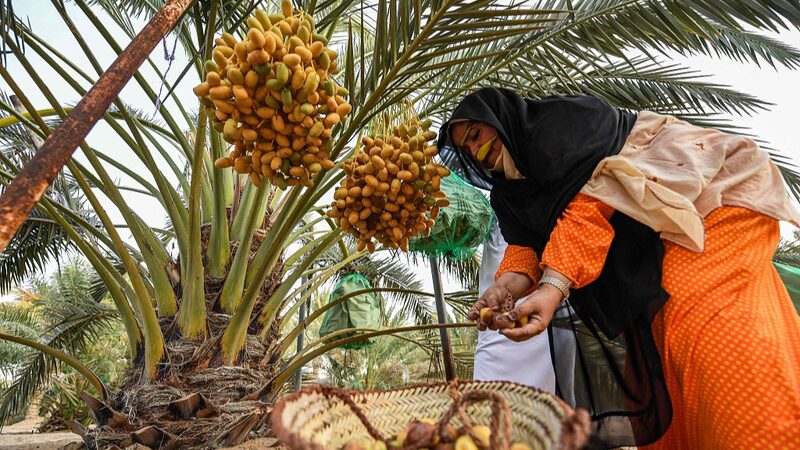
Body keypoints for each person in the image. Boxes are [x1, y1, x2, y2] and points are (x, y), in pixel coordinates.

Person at [437, 87, 800, 450]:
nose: (475, 150)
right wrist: (503, 288)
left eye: (475, 134)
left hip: (705, 206)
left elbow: (591, 203)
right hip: (660, 243)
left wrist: (552, 289)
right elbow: (525, 248)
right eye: (467, 148)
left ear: (499, 118)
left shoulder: (557, 124)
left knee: (704, 331)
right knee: (667, 351)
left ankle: (767, 436)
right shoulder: (508, 194)